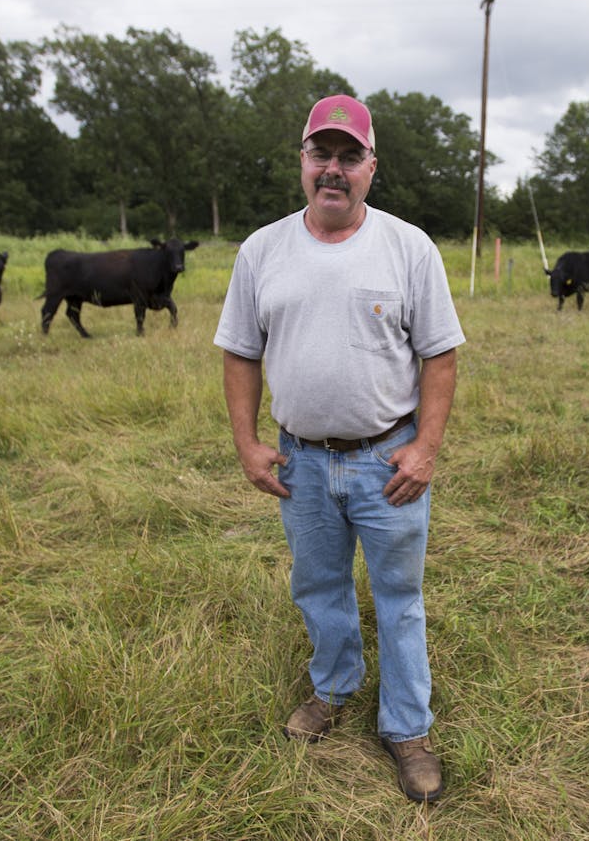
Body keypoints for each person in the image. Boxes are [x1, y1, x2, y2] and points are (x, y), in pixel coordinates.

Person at [214, 94, 465, 803]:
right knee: (319, 587)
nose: (333, 169)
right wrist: (248, 445)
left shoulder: (408, 247)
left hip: (388, 463)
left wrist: (426, 449)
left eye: (348, 156)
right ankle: (331, 689)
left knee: (399, 598)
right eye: (320, 154)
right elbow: (240, 354)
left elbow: (439, 356)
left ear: (370, 168)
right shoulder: (262, 251)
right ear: (302, 162)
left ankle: (408, 728)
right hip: (302, 460)